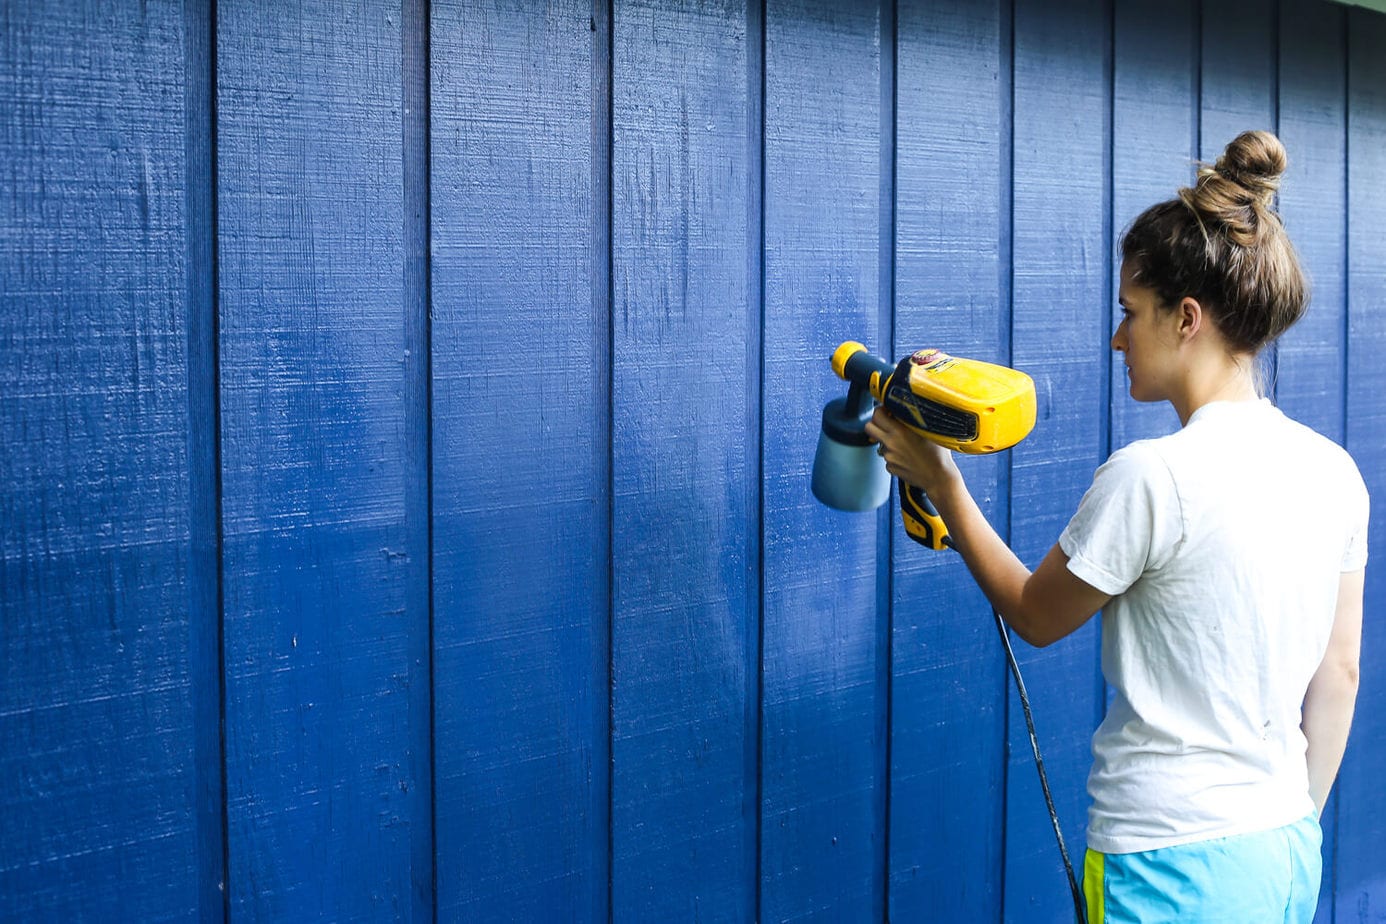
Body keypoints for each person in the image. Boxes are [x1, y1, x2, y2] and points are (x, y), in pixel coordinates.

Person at [865, 130, 1368, 923]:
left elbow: (1033, 614)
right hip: (1281, 853)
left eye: (1131, 312)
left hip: (1164, 864)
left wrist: (940, 481)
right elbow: (1339, 676)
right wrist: (1295, 822)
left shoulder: (1153, 476)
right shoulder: (1334, 471)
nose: (1116, 338)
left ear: (1188, 317)